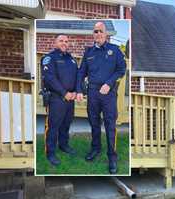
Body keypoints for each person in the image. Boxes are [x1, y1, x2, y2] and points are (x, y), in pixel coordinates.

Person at [76, 22, 126, 174]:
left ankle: (112, 157)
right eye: (95, 31)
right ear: (93, 34)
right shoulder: (88, 52)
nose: (98, 33)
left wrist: (109, 84)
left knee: (110, 125)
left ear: (106, 34)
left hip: (108, 94)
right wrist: (78, 90)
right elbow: (81, 73)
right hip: (92, 93)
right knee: (94, 123)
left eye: (100, 31)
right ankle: (96, 148)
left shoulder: (115, 50)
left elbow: (121, 69)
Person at [41, 34, 77, 166]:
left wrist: (76, 92)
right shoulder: (49, 58)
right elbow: (49, 79)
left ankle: (64, 145)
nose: (64, 43)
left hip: (70, 99)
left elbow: (77, 76)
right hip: (56, 98)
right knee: (53, 126)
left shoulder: (71, 59)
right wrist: (64, 93)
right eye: (61, 41)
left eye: (66, 41)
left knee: (66, 123)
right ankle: (50, 152)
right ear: (55, 43)